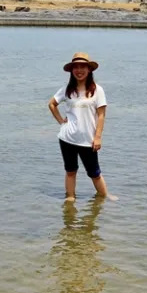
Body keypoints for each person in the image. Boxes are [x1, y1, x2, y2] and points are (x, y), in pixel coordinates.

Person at [47, 52, 116, 202]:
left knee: (94, 173)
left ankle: (105, 196)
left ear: (89, 69)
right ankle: (70, 197)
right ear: (72, 70)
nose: (79, 70)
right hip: (67, 138)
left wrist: (97, 137)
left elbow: (101, 115)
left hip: (88, 140)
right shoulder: (67, 89)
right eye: (76, 67)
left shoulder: (97, 90)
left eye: (82, 67)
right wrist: (61, 121)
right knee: (70, 171)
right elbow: (52, 104)